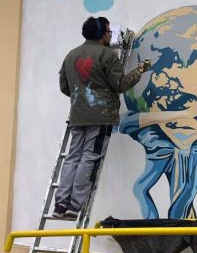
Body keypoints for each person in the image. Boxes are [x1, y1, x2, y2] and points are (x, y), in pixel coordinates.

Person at [53, 16, 151, 219]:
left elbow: (64, 86)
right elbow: (120, 84)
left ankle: (61, 204)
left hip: (78, 115)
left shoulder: (71, 55)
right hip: (100, 116)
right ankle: (74, 206)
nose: (110, 35)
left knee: (73, 157)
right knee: (90, 157)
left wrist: (82, 97)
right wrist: (140, 70)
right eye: (108, 31)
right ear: (100, 34)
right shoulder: (107, 55)